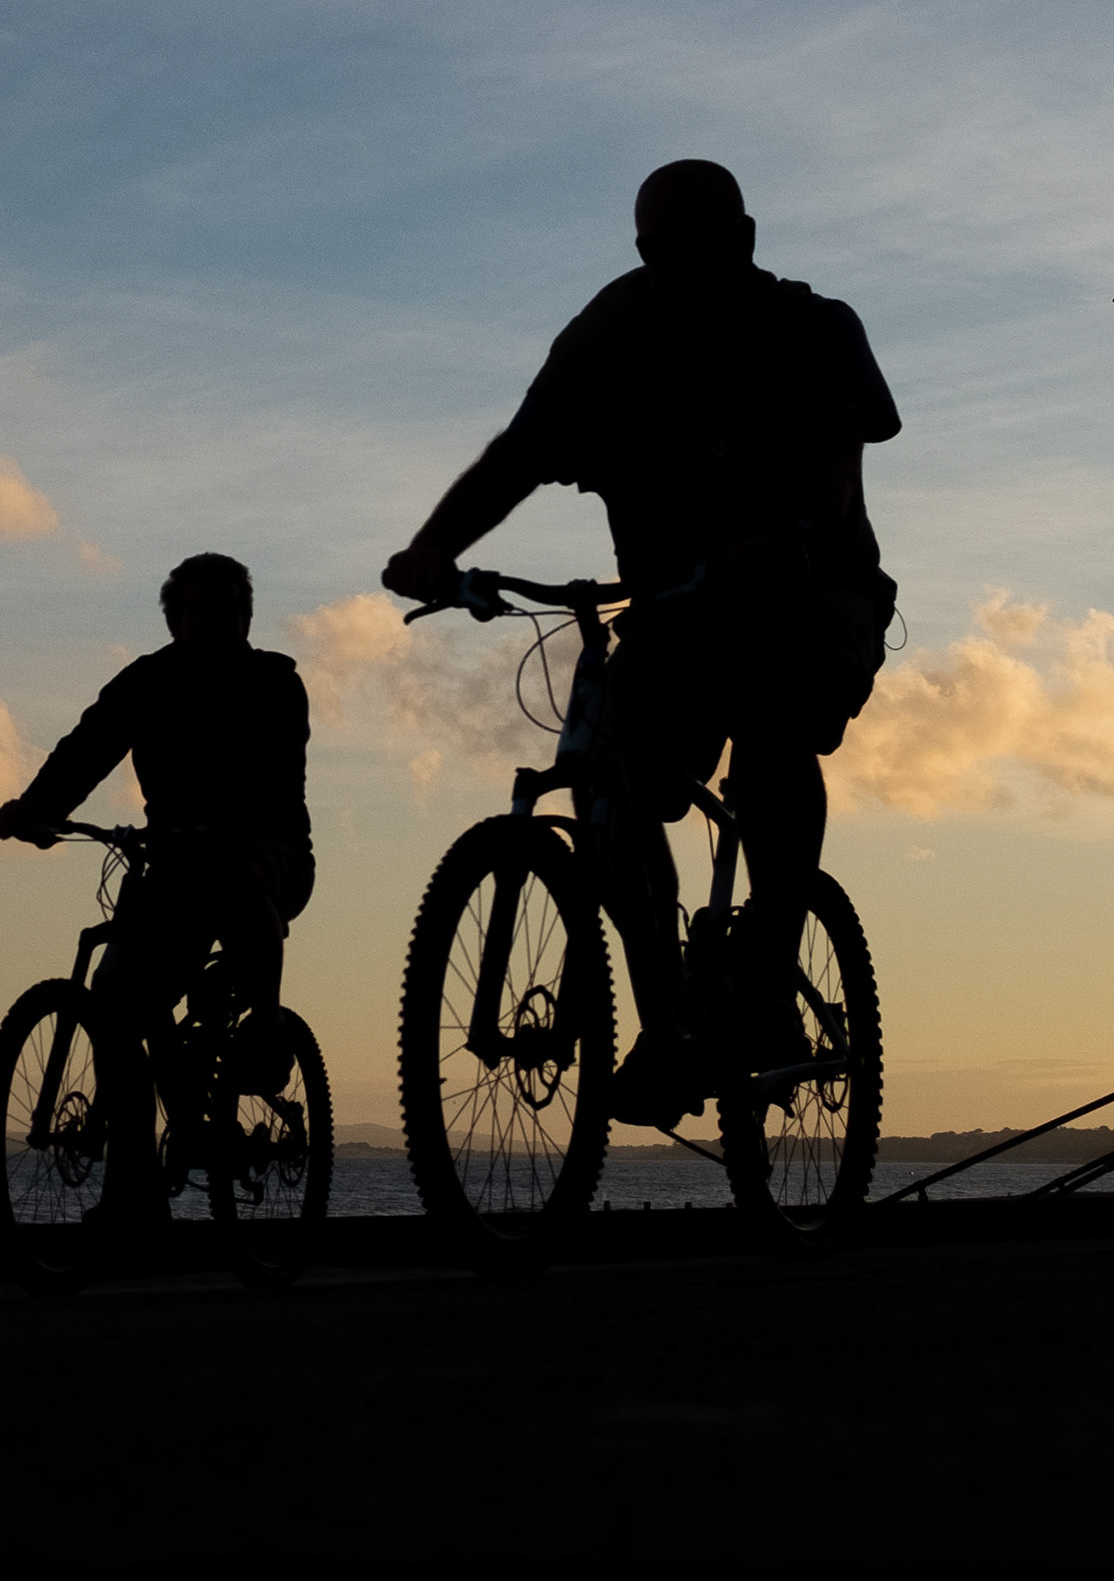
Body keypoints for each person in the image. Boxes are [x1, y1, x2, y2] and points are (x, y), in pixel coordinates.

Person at [380, 159, 900, 1127]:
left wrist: (786, 536)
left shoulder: (812, 328)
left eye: (697, 246)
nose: (677, 267)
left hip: (812, 592)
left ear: (743, 241)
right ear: (641, 254)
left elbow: (836, 457)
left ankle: (772, 967)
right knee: (615, 776)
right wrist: (434, 548)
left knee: (774, 727)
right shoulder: (611, 333)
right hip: (676, 609)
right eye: (660, 251)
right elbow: (520, 455)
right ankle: (668, 1018)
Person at [0, 553, 313, 1134]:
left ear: (247, 618)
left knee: (240, 877)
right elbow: (86, 748)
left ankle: (266, 1029)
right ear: (175, 621)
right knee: (114, 1004)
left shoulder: (275, 683)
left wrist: (235, 826)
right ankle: (135, 1192)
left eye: (229, 611)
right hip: (175, 865)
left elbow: (280, 778)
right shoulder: (146, 682)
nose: (216, 622)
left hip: (270, 853)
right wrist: (37, 810)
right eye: (201, 611)